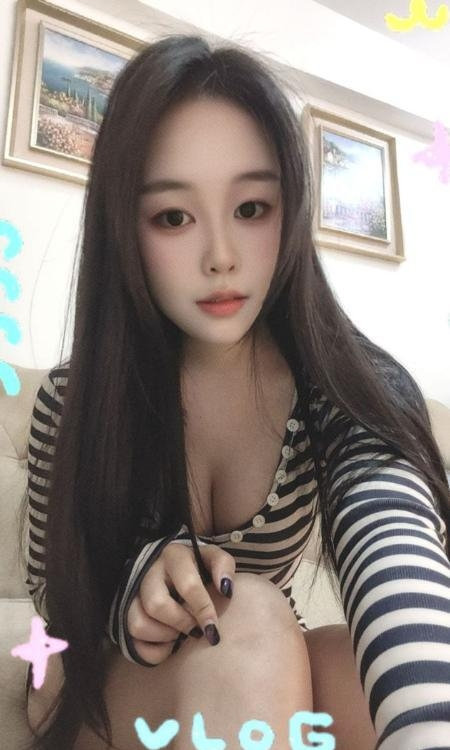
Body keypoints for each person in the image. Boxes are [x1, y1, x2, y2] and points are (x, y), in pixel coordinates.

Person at [18, 33, 450, 750]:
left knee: (350, 669)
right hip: (99, 669)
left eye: (251, 208)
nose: (221, 256)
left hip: (256, 667)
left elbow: (389, 533)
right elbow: (50, 592)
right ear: (124, 228)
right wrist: (137, 588)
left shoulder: (339, 388)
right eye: (173, 217)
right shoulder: (74, 399)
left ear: (291, 210)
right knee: (246, 611)